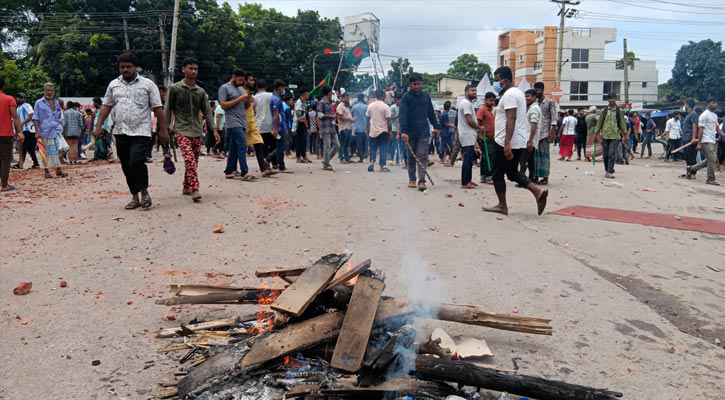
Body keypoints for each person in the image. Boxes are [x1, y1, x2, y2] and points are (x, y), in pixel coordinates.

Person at [95, 53, 167, 209]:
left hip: (141, 131)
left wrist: (163, 130)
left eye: (128, 66)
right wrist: (99, 126)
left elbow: (158, 107)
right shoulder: (113, 85)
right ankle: (135, 197)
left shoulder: (148, 84)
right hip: (120, 131)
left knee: (136, 161)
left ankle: (145, 193)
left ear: (135, 67)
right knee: (126, 165)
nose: (125, 69)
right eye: (122, 67)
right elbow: (106, 106)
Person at [482, 66, 547, 216]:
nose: (496, 84)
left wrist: (506, 143)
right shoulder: (518, 92)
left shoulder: (510, 94)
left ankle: (502, 205)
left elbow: (511, 117)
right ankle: (538, 192)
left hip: (506, 140)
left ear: (504, 81)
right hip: (518, 140)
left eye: (497, 81)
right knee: (511, 172)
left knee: (497, 174)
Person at [165, 57, 217, 201]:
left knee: (194, 161)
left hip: (196, 130)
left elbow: (207, 112)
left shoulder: (200, 92)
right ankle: (195, 189)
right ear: (183, 70)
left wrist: (213, 129)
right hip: (181, 130)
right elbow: (167, 108)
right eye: (190, 68)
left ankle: (186, 185)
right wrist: (165, 128)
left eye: (195, 69)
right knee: (189, 159)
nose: (193, 71)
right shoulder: (174, 89)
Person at [399, 73, 439, 191]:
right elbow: (403, 116)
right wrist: (404, 132)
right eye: (414, 84)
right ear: (410, 85)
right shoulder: (406, 98)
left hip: (423, 131)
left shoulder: (426, 96)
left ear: (421, 84)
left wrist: (436, 127)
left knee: (422, 155)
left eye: (419, 84)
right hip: (410, 132)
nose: (417, 86)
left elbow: (431, 113)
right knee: (411, 157)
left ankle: (422, 181)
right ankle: (412, 179)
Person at [218, 68, 254, 181]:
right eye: (240, 80)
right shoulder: (225, 88)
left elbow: (246, 107)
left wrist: (248, 101)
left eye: (243, 80)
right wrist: (239, 99)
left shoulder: (241, 89)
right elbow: (223, 104)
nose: (241, 82)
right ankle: (245, 172)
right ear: (234, 77)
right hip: (232, 122)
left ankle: (229, 171)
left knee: (233, 148)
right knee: (243, 145)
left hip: (242, 121)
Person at [33, 82, 68, 179]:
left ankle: (58, 170)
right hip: (44, 131)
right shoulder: (38, 103)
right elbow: (36, 118)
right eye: (47, 90)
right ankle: (46, 171)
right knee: (45, 152)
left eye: (51, 90)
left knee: (57, 151)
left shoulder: (56, 102)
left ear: (54, 91)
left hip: (55, 130)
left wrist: (59, 127)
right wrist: (37, 131)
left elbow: (58, 116)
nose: (49, 92)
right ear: (44, 91)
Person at [242, 72, 274, 176]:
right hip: (243, 124)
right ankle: (235, 169)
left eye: (253, 80)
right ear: (245, 81)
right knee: (239, 148)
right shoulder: (241, 93)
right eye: (250, 80)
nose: (253, 82)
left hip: (254, 124)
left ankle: (264, 168)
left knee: (259, 145)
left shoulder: (253, 96)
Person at [687, 98, 722, 185]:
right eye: (713, 103)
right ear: (708, 104)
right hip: (706, 140)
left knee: (709, 160)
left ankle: (691, 169)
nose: (715, 104)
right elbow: (700, 130)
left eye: (716, 103)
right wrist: (699, 143)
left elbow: (717, 129)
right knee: (712, 160)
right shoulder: (704, 115)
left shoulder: (714, 115)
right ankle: (710, 179)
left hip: (713, 140)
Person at [594, 93, 627, 179]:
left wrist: (625, 134)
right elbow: (599, 123)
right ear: (608, 100)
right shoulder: (604, 111)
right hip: (605, 135)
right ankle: (607, 169)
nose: (612, 100)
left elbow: (622, 123)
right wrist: (596, 134)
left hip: (614, 136)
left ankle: (609, 171)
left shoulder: (619, 111)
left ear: (615, 99)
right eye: (610, 98)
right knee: (605, 154)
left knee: (612, 154)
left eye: (613, 98)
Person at [1, 77, 24, 192]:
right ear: (3, 86)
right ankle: (4, 185)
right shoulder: (9, 99)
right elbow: (15, 117)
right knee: (5, 159)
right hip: (5, 134)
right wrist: (20, 132)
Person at [532, 83, 557, 185]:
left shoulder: (550, 102)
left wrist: (552, 134)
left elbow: (554, 119)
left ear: (542, 90)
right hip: (535, 134)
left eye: (537, 90)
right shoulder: (534, 104)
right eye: (535, 90)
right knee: (535, 157)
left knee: (544, 156)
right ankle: (536, 176)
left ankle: (545, 177)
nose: (536, 92)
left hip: (545, 134)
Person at [266, 79, 292, 173]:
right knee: (282, 146)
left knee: (280, 146)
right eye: (283, 88)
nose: (283, 90)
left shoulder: (275, 98)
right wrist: (276, 128)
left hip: (280, 125)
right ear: (280, 87)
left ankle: (273, 161)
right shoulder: (276, 99)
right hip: (279, 126)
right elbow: (276, 115)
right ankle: (277, 163)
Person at [457, 85, 479, 188]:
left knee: (469, 159)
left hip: (469, 134)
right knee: (467, 159)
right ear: (466, 92)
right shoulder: (466, 104)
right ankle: (465, 182)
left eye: (475, 90)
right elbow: (469, 120)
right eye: (472, 90)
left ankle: (468, 180)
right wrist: (479, 127)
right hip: (467, 134)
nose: (474, 92)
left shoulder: (468, 103)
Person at [366, 89, 392, 172]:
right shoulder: (386, 106)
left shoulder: (370, 106)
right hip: (383, 131)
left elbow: (367, 119)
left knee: (373, 148)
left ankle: (371, 163)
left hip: (373, 131)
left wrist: (367, 129)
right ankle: (382, 166)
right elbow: (389, 120)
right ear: (383, 96)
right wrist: (390, 131)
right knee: (383, 148)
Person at [13, 93, 39, 169]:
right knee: (30, 148)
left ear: (24, 98)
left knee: (24, 147)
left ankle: (20, 164)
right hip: (24, 130)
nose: (19, 98)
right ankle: (36, 163)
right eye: (18, 97)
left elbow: (31, 115)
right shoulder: (18, 108)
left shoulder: (26, 105)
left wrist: (22, 123)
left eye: (21, 97)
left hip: (29, 129)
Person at [519, 89, 540, 181]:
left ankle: (522, 180)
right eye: (525, 96)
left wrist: (530, 140)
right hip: (530, 139)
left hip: (529, 139)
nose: (526, 98)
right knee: (531, 161)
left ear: (534, 97)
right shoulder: (533, 108)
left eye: (528, 96)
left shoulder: (534, 108)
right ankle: (531, 178)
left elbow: (534, 124)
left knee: (523, 161)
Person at [475, 92, 496, 183]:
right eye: (490, 100)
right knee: (488, 157)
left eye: (493, 101)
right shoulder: (482, 109)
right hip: (485, 137)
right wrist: (480, 135)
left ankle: (483, 176)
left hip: (490, 137)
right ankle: (488, 177)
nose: (492, 102)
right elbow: (478, 122)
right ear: (485, 100)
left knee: (484, 157)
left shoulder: (489, 110)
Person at [255, 79, 275, 166]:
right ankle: (275, 163)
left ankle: (266, 163)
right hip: (271, 124)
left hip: (260, 125)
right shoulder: (271, 95)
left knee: (264, 146)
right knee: (273, 144)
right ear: (266, 87)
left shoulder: (254, 97)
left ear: (256, 88)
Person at [319, 85, 339, 171]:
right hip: (325, 127)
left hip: (331, 126)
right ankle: (326, 164)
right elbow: (319, 115)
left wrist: (333, 116)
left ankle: (326, 161)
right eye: (331, 92)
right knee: (326, 147)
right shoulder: (322, 102)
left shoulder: (330, 102)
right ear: (328, 92)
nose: (332, 94)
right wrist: (331, 116)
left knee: (337, 145)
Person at [681, 100, 701, 178]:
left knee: (691, 156)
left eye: (685, 104)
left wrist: (693, 138)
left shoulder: (693, 114)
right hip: (685, 138)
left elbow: (694, 126)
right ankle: (688, 172)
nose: (684, 106)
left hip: (690, 139)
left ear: (688, 105)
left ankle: (693, 173)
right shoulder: (688, 114)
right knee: (687, 157)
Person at [293, 88, 311, 163]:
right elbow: (299, 116)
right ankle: (298, 157)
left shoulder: (304, 102)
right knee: (299, 142)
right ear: (304, 94)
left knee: (303, 141)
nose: (308, 95)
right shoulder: (299, 102)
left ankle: (304, 156)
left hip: (303, 123)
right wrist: (306, 123)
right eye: (307, 93)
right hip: (299, 124)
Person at [336, 93, 354, 163]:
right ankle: (342, 158)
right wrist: (350, 119)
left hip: (348, 127)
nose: (348, 99)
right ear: (342, 98)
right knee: (342, 144)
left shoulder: (347, 106)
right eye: (346, 98)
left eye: (348, 98)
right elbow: (339, 117)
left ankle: (347, 158)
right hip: (343, 128)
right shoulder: (340, 106)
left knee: (347, 144)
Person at [351, 93, 368, 163]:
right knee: (365, 142)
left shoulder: (354, 107)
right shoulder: (366, 107)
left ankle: (361, 157)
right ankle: (365, 154)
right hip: (365, 127)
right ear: (363, 98)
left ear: (357, 99)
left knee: (359, 143)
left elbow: (352, 115)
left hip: (357, 127)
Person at [389, 95, 403, 166]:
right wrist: (397, 116)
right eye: (399, 100)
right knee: (394, 144)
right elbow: (390, 117)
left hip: (402, 129)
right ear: (396, 100)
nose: (400, 101)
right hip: (394, 128)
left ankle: (398, 159)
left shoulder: (403, 107)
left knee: (401, 145)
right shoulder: (393, 107)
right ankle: (391, 159)